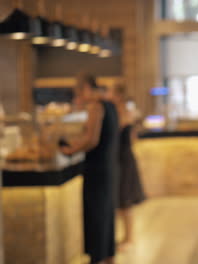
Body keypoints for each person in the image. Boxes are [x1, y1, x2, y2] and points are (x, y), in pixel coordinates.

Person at [60, 73, 119, 264]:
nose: (79, 96)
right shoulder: (111, 105)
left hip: (97, 167)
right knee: (106, 212)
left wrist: (71, 150)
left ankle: (97, 258)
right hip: (109, 166)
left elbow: (92, 139)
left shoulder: (96, 106)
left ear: (86, 88)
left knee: (95, 214)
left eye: (79, 91)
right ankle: (108, 255)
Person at [108, 82, 146, 251]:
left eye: (111, 91)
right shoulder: (119, 112)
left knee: (125, 201)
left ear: (118, 95)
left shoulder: (125, 113)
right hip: (118, 159)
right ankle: (125, 237)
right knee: (121, 201)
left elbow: (128, 136)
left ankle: (129, 238)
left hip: (124, 160)